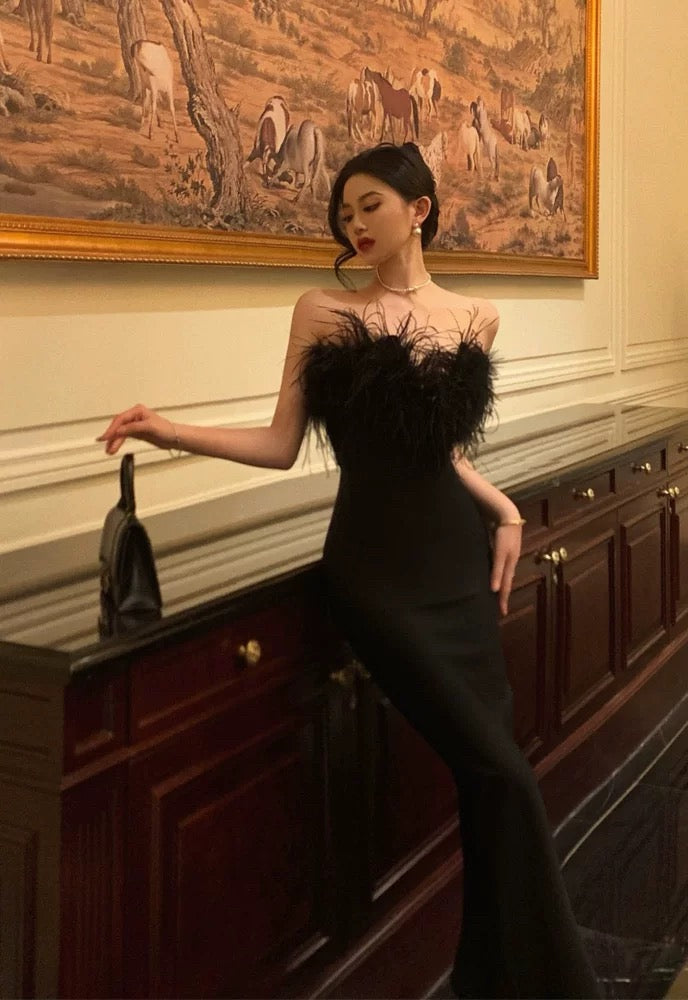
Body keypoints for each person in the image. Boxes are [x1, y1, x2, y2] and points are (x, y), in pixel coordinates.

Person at [97, 142, 600, 999]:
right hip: (375, 574)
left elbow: (443, 454)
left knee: (488, 778)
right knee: (503, 773)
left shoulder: (476, 316)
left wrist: (506, 509)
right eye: (345, 213)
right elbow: (279, 443)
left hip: (456, 564)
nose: (354, 224)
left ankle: (489, 972)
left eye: (371, 206)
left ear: (419, 209)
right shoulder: (323, 311)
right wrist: (167, 430)